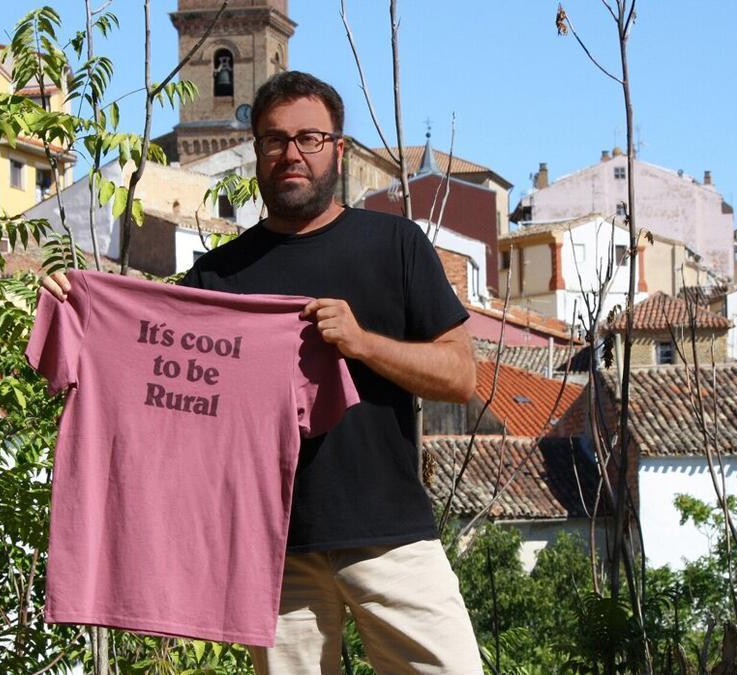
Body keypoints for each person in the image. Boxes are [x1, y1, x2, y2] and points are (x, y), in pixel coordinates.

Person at [41, 71, 482, 674]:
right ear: (256, 151)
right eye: (274, 140)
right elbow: (164, 396)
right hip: (273, 555)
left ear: (338, 149)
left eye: (309, 138)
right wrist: (84, 311)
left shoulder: (396, 244)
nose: (291, 154)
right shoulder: (218, 279)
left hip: (392, 534)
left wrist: (361, 344)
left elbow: (461, 375)